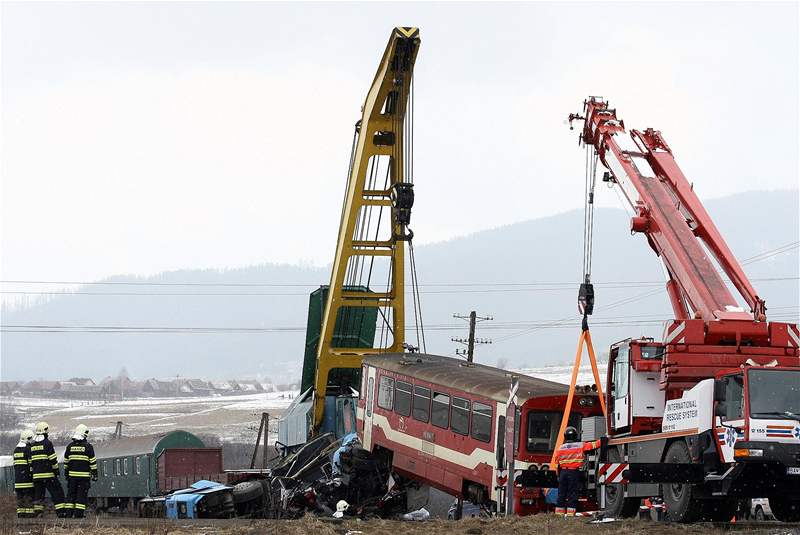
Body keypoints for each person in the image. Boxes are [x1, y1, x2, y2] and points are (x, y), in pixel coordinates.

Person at [553, 426, 601, 516]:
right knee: (573, 492)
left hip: (563, 473)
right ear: (575, 436)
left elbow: (557, 463)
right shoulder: (580, 445)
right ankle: (571, 514)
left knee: (561, 493)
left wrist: (558, 476)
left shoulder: (560, 448)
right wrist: (603, 440)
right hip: (573, 472)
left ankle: (559, 514)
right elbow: (593, 445)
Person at [30, 421, 67, 517]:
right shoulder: (47, 443)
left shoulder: (32, 445)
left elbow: (30, 462)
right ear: (45, 432)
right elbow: (53, 460)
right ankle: (61, 513)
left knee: (39, 495)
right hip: (48, 475)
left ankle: (38, 513)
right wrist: (56, 471)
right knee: (57, 493)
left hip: (36, 477)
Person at [63, 424, 98, 518]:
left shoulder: (69, 447)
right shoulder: (88, 447)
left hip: (72, 478)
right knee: (81, 496)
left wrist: (66, 474)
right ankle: (78, 514)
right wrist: (94, 474)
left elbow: (66, 462)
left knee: (71, 495)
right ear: (84, 435)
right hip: (84, 478)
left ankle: (69, 514)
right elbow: (93, 463)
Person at [13, 429, 35, 518]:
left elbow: (15, 465)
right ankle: (29, 518)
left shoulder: (15, 450)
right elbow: (31, 465)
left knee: (20, 500)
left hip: (18, 482)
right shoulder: (27, 449)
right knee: (29, 498)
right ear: (28, 438)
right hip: (27, 481)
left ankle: (21, 517)